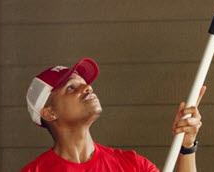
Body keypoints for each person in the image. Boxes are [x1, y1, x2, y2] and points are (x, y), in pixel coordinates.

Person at [21, 58, 204, 171]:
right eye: (71, 88)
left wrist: (187, 145)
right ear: (49, 113)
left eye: (85, 82)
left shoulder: (132, 165)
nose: (88, 87)